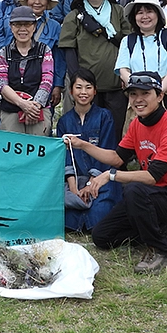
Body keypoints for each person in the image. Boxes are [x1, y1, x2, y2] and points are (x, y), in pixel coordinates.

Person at [83, 72, 167, 274]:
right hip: (150, 195)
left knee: (133, 189)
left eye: (145, 93)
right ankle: (161, 229)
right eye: (133, 94)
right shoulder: (137, 123)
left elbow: (152, 177)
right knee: (101, 237)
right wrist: (82, 145)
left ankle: (159, 249)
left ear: (160, 96)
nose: (138, 99)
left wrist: (110, 175)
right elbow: (117, 158)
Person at [58, 0, 131, 142]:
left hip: (116, 84)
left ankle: (115, 157)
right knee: (88, 129)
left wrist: (127, 74)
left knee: (117, 127)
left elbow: (129, 44)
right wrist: (77, 79)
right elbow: (68, 49)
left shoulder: (119, 11)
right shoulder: (74, 16)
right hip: (87, 87)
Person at [55, 69, 120, 232]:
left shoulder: (105, 116)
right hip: (75, 179)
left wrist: (91, 184)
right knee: (66, 216)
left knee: (100, 213)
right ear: (71, 91)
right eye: (79, 87)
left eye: (88, 87)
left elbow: (107, 150)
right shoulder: (64, 121)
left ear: (95, 91)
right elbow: (65, 156)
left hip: (101, 178)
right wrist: (73, 187)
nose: (83, 92)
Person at [114, 0, 167, 128]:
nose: (145, 16)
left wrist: (157, 92)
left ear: (158, 14)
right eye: (140, 13)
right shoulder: (128, 41)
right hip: (138, 98)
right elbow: (123, 70)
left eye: (149, 11)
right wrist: (140, 89)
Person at [0, 6, 54, 136]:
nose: (22, 29)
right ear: (11, 27)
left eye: (27, 24)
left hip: (38, 109)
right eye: (17, 24)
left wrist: (33, 107)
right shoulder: (3, 53)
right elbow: (1, 84)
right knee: (11, 146)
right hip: (11, 109)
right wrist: (22, 104)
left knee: (38, 145)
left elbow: (47, 81)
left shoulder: (45, 50)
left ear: (34, 26)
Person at [22, 0, 65, 107]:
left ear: (47, 1)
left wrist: (57, 85)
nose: (37, 2)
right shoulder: (16, 23)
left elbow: (59, 58)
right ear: (27, 0)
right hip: (19, 82)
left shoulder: (54, 26)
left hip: (46, 83)